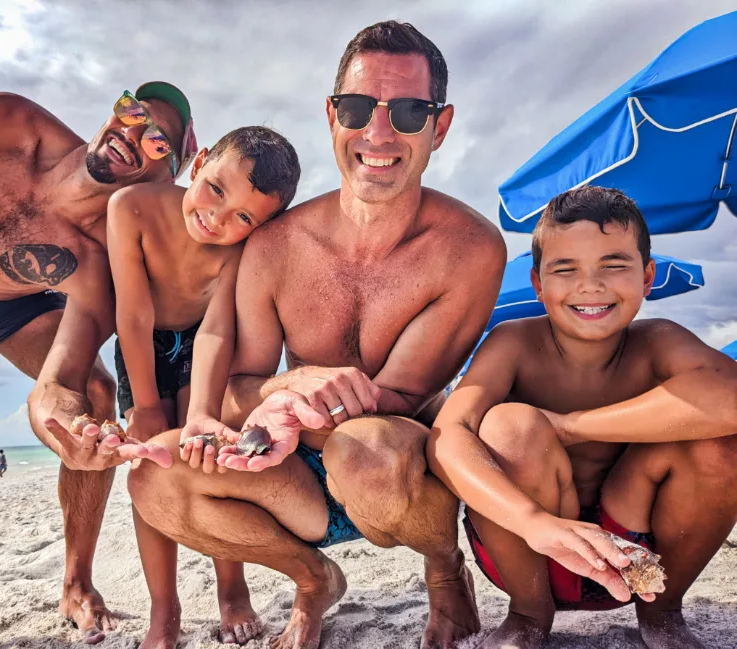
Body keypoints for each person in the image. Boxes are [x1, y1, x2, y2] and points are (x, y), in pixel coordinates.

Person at [127, 21, 506, 649]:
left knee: (363, 451)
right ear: (333, 115)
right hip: (297, 469)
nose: (379, 133)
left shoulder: (469, 250)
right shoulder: (275, 245)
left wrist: (280, 408)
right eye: (359, 108)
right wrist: (286, 385)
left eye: (410, 111)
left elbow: (402, 398)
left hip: (393, 467)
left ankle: (445, 573)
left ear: (439, 127)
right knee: (154, 482)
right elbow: (233, 392)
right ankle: (313, 581)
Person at [0, 80, 194, 649]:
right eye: (132, 110)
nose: (133, 132)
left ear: (163, 175)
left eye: (156, 141)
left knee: (96, 397)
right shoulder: (6, 122)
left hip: (20, 301)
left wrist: (65, 430)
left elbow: (61, 381)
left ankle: (76, 583)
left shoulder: (99, 253)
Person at [427, 186, 737, 649]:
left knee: (721, 439)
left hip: (639, 562)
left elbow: (730, 398)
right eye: (565, 269)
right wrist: (535, 522)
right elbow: (447, 437)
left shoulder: (658, 341)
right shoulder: (513, 343)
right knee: (510, 427)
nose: (590, 285)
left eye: (613, 265)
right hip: (531, 554)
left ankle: (664, 614)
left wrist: (571, 425)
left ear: (648, 277)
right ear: (538, 283)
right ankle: (528, 617)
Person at [108, 126, 300, 646]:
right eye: (216, 189)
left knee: (203, 451)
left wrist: (201, 413)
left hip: (203, 343)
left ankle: (232, 589)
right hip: (140, 337)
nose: (217, 218)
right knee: (148, 461)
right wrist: (146, 403)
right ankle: (163, 608)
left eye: (243, 217)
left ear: (260, 227)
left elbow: (217, 329)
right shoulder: (132, 206)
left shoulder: (237, 251)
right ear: (199, 166)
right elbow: (131, 311)